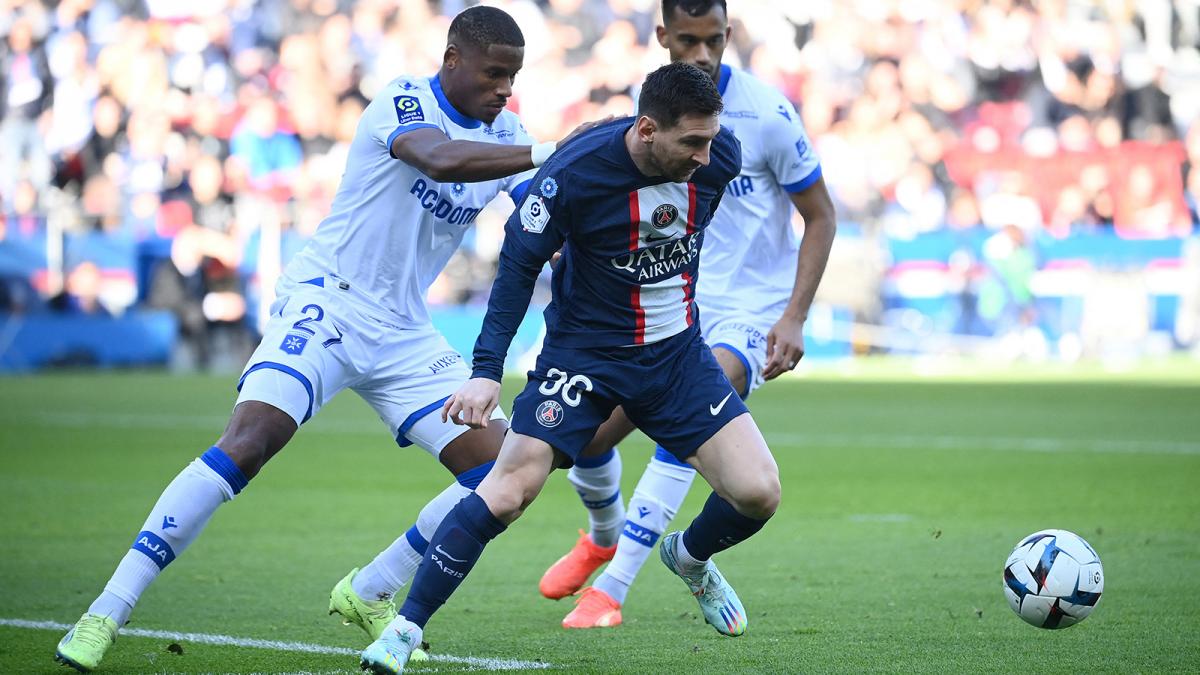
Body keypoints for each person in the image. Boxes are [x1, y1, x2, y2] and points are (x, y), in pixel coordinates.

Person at [54, 7, 582, 671]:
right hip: (328, 301)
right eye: (494, 72)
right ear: (453, 59)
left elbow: (547, 213)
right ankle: (107, 608)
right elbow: (440, 160)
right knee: (248, 442)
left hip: (403, 331)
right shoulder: (406, 99)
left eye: (514, 75)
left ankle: (372, 589)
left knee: (508, 471)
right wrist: (548, 151)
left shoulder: (508, 133)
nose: (506, 86)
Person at [359, 61, 778, 675]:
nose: (705, 155)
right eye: (691, 141)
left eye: (711, 138)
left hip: (676, 355)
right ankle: (402, 630)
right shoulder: (575, 174)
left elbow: (686, 224)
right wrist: (484, 372)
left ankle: (687, 558)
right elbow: (516, 269)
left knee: (758, 493)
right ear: (646, 130)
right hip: (586, 359)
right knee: (506, 491)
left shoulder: (717, 157)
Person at [539, 0, 837, 630]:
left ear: (730, 34)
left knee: (716, 386)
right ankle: (601, 533)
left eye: (714, 40)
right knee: (582, 443)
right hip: (665, 304)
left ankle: (621, 584)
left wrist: (794, 317)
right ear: (664, 36)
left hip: (746, 310)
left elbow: (822, 214)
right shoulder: (650, 115)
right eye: (689, 40)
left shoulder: (767, 113)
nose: (703, 54)